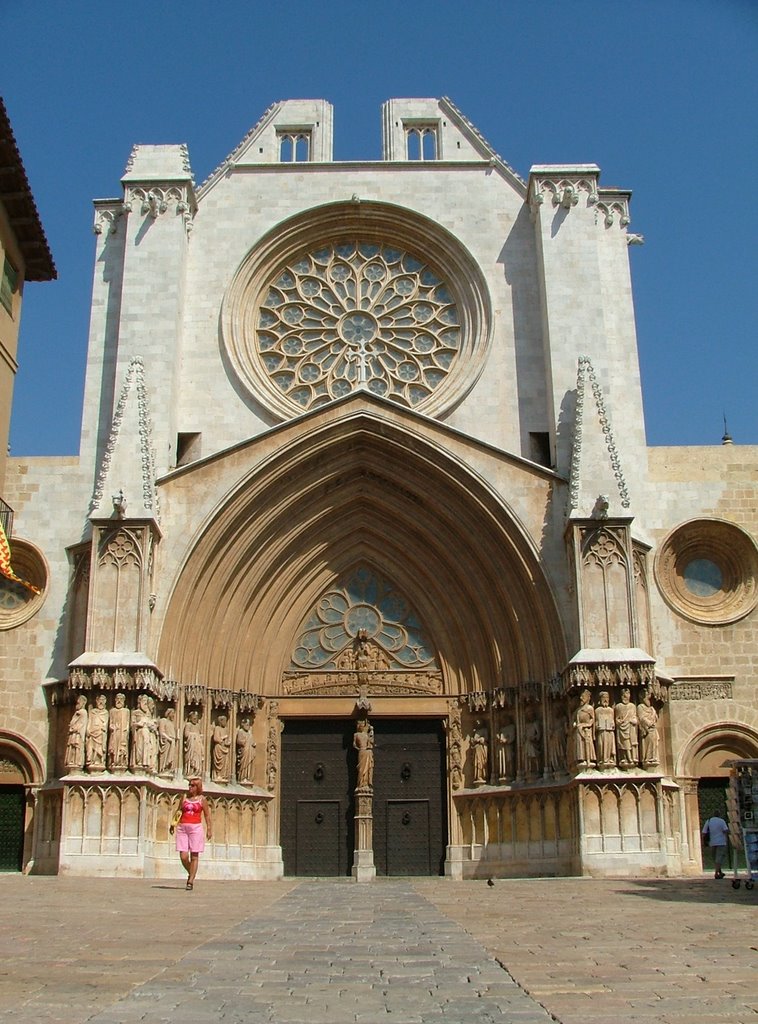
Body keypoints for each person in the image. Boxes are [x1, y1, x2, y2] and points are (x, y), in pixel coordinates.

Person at [174, 777, 212, 890]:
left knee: (194, 855)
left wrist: (209, 828)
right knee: (183, 856)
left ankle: (190, 880)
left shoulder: (202, 800)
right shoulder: (184, 797)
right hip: (182, 827)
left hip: (195, 828)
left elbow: (207, 815)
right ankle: (191, 871)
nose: (190, 787)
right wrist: (173, 823)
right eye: (189, 785)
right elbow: (179, 811)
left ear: (197, 787)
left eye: (192, 785)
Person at [702, 812, 729, 879]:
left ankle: (720, 872)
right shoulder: (721, 821)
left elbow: (704, 832)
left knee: (715, 858)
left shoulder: (709, 821)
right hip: (721, 841)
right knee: (719, 858)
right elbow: (726, 830)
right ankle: (716, 873)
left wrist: (704, 841)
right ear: (719, 815)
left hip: (712, 842)